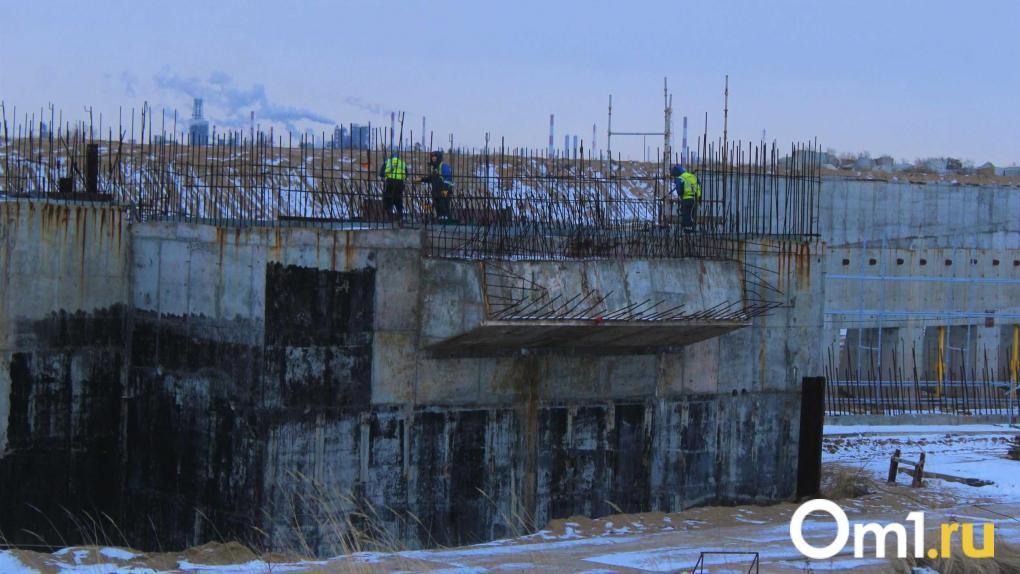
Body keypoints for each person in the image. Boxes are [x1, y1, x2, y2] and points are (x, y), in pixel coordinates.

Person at [420, 150, 455, 221]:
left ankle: (446, 220)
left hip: (443, 191)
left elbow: (448, 178)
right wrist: (421, 179)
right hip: (436, 192)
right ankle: (440, 220)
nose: (433, 159)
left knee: (444, 207)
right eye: (432, 157)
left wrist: (445, 190)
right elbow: (431, 178)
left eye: (435, 157)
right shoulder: (435, 168)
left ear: (438, 157)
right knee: (438, 207)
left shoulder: (443, 166)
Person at [671, 164, 701, 232]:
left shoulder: (680, 178)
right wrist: (699, 198)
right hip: (695, 199)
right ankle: (691, 228)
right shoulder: (692, 176)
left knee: (686, 214)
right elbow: (698, 186)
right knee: (692, 215)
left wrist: (680, 194)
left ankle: (687, 229)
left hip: (686, 199)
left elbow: (679, 191)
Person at [378, 151, 407, 221]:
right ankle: (400, 216)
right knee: (398, 200)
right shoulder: (402, 163)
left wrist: (386, 176)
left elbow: (381, 174)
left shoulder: (387, 162)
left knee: (388, 199)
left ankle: (389, 216)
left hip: (389, 183)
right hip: (399, 184)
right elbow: (406, 175)